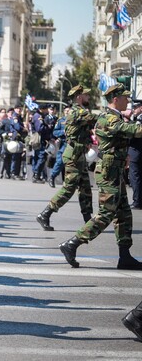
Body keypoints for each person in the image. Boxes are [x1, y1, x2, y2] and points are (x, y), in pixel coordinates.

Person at [58, 84, 142, 270]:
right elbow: (134, 130)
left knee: (124, 214)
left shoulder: (115, 116)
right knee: (106, 213)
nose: (127, 100)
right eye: (125, 97)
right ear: (115, 99)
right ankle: (72, 244)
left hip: (115, 170)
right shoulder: (109, 118)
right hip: (108, 172)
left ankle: (125, 255)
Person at [37, 87, 94, 231]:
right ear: (79, 96)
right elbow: (97, 119)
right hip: (73, 154)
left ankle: (88, 220)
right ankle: (45, 214)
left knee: (85, 188)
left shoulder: (81, 111)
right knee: (69, 188)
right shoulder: (77, 111)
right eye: (87, 95)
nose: (89, 97)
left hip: (79, 154)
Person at [48, 106, 70, 188]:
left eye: (69, 110)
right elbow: (55, 132)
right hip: (64, 144)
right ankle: (52, 177)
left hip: (73, 145)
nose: (67, 112)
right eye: (66, 111)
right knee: (60, 162)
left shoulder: (75, 121)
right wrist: (62, 132)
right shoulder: (61, 121)